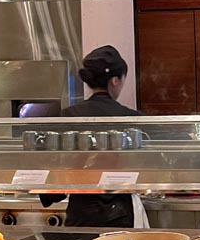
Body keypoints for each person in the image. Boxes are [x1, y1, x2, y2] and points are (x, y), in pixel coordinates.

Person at [41, 45, 142, 228]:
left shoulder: (68, 116)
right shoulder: (130, 118)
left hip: (79, 213)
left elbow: (54, 168)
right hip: (118, 214)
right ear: (115, 81)